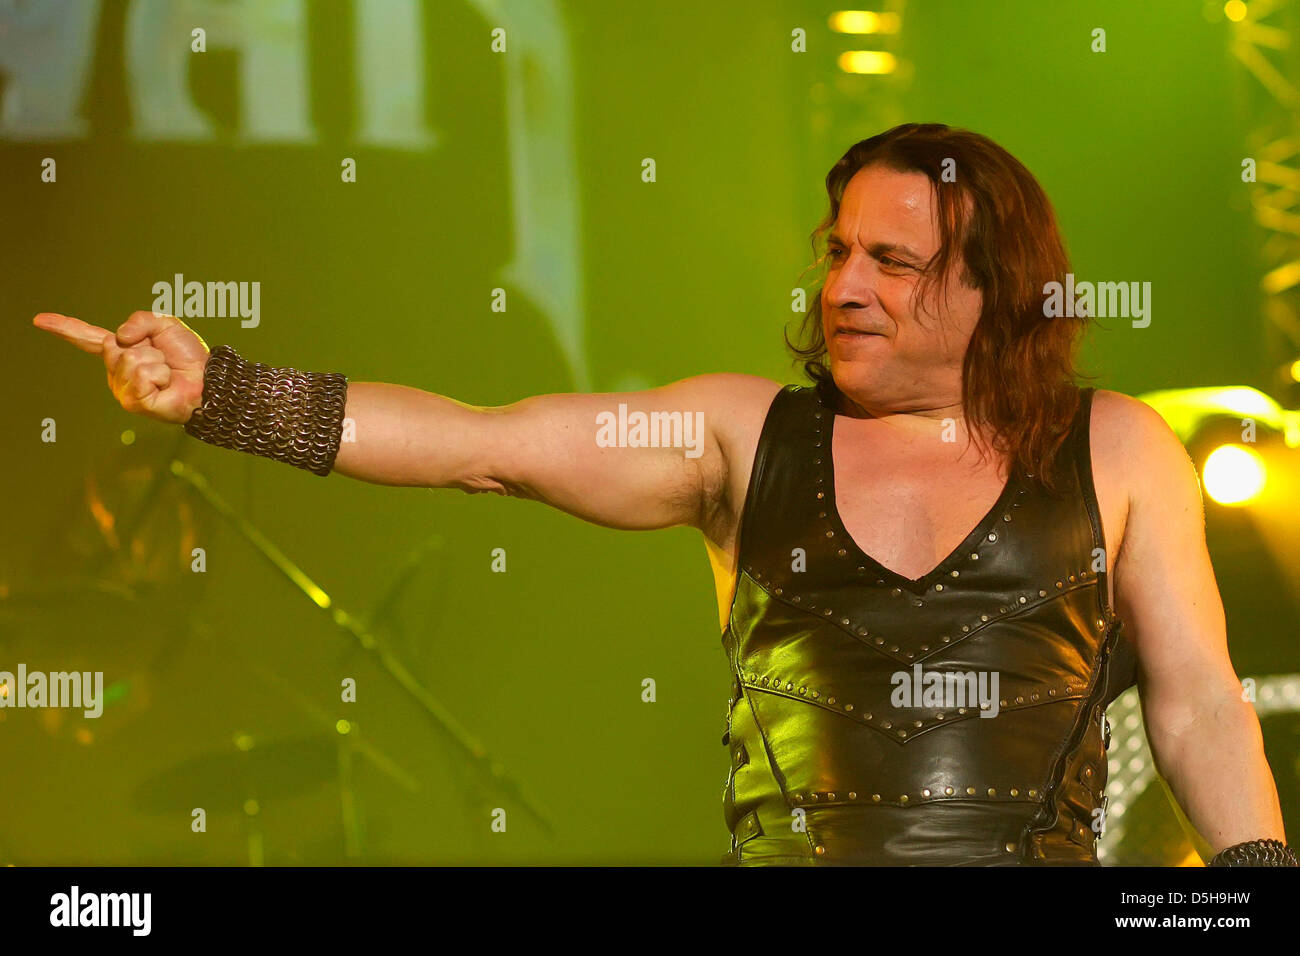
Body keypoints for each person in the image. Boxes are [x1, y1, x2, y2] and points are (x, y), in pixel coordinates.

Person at [34, 123, 1294, 866]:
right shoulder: (739, 435)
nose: (845, 283)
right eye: (837, 250)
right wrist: (226, 395)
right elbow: (485, 442)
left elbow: (1196, 710)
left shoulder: (1118, 449)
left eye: (892, 261)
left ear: (986, 290)